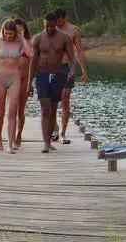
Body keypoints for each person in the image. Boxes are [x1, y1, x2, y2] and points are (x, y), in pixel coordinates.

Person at [29, 11, 76, 153]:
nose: (49, 29)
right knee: (45, 108)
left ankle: (49, 140)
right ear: (43, 24)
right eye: (46, 26)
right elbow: (33, 61)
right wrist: (29, 82)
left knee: (53, 109)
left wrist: (72, 71)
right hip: (42, 74)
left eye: (52, 26)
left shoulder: (65, 38)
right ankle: (45, 143)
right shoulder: (37, 39)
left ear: (56, 25)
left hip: (58, 74)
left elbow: (72, 59)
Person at [0, 19, 25, 153]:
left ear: (15, 33)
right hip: (0, 78)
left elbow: (30, 52)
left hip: (15, 78)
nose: (9, 36)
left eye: (11, 34)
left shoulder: (20, 43)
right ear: (3, 32)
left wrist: (22, 37)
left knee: (12, 112)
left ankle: (10, 143)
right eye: (6, 33)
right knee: (0, 113)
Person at [53, 7, 89, 144]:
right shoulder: (51, 28)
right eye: (56, 21)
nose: (58, 23)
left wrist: (84, 71)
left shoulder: (73, 30)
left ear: (65, 18)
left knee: (65, 99)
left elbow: (79, 51)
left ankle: (63, 132)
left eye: (60, 20)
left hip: (67, 67)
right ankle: (54, 130)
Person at [12, 18, 33, 148]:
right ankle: (12, 135)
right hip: (11, 80)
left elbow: (31, 55)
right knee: (12, 110)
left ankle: (19, 134)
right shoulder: (9, 43)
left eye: (20, 29)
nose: (18, 32)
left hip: (24, 80)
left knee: (20, 111)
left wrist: (23, 38)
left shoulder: (29, 43)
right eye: (16, 29)